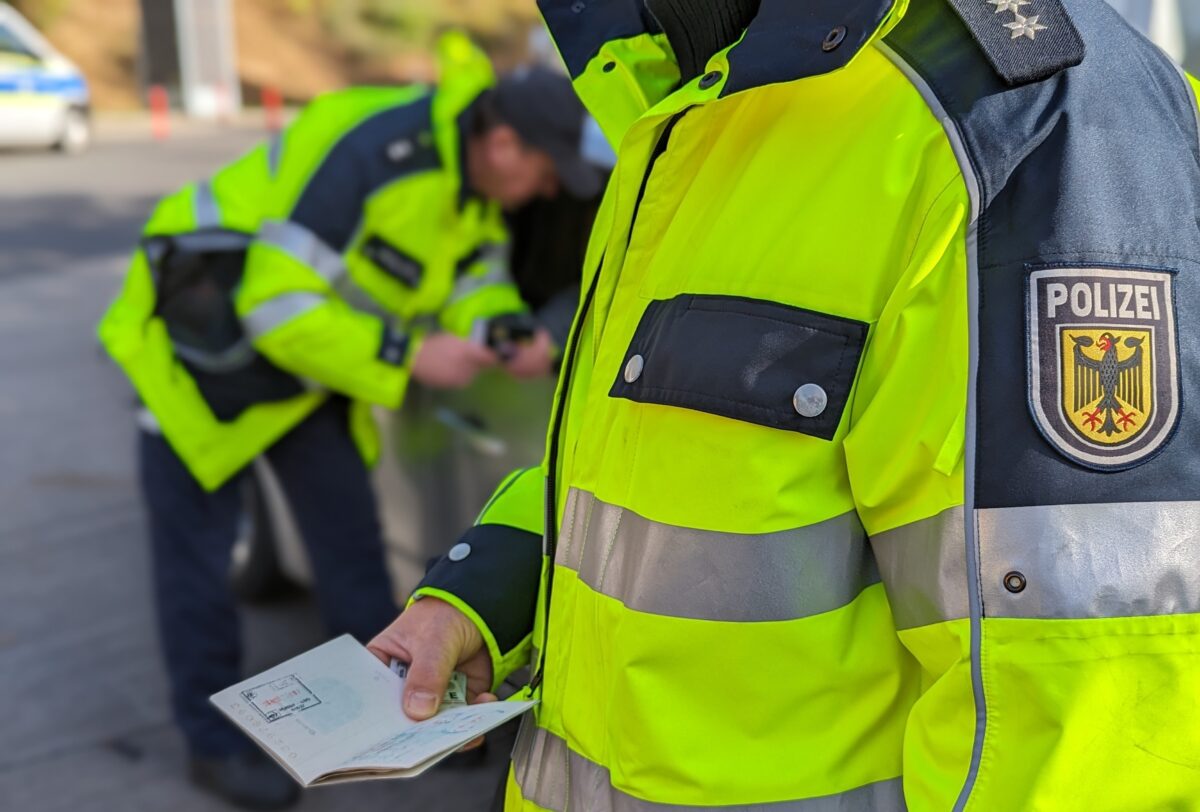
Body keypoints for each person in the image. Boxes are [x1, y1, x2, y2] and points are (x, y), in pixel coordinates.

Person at [368, 0, 1200, 809]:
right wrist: (481, 594)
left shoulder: (1017, 114)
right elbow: (646, 466)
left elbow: (1080, 713)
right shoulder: (694, 93)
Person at [98, 33, 602, 811]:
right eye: (542, 172)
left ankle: (402, 717)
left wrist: (502, 332)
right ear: (504, 143)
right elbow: (272, 302)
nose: (542, 192)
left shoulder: (470, 187)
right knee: (195, 567)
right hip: (196, 358)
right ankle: (214, 748)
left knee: (350, 544)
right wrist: (407, 355)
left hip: (303, 377)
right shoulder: (381, 152)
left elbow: (474, 280)